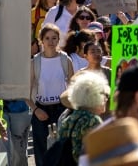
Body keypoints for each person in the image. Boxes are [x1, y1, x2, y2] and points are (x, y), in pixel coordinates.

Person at [28, 23, 74, 166]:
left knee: (62, 151)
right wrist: (36, 110)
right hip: (41, 110)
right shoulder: (35, 61)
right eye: (47, 38)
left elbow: (73, 87)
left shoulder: (65, 59)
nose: (51, 42)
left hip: (61, 110)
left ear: (58, 40)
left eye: (54, 38)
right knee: (42, 152)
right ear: (41, 40)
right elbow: (25, 92)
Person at [57, 71, 109, 163]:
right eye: (104, 94)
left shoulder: (69, 118)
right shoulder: (92, 120)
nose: (106, 99)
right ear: (93, 96)